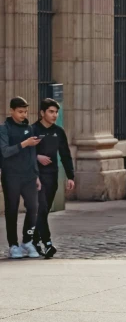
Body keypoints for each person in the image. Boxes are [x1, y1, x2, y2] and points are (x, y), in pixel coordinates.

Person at [33, 98, 75, 258]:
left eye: (56, 112)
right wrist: (37, 156)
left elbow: (65, 155)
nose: (54, 115)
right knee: (42, 208)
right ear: (42, 113)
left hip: (52, 176)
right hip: (36, 177)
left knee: (44, 211)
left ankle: (34, 240)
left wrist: (70, 176)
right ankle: (48, 243)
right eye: (51, 112)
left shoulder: (59, 131)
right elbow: (24, 153)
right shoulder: (33, 130)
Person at [0, 97, 41, 259]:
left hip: (29, 175)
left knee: (33, 207)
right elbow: (4, 152)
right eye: (20, 111)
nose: (23, 115)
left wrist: (36, 175)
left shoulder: (29, 128)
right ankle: (13, 245)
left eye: (25, 111)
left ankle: (27, 240)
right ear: (11, 111)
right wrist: (24, 143)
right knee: (12, 209)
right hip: (11, 175)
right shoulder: (4, 129)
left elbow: (32, 154)